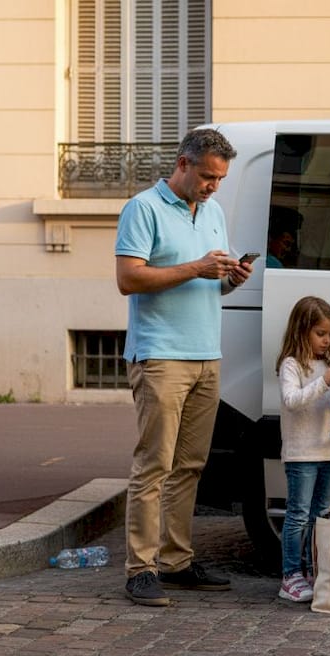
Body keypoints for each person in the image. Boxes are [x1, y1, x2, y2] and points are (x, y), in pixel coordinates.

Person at [114, 128, 254, 606]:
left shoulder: (212, 211)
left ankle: (175, 560)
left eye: (220, 179)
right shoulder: (143, 208)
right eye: (208, 176)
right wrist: (196, 267)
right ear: (183, 164)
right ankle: (140, 569)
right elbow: (129, 278)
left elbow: (211, 286)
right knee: (153, 464)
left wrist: (230, 278)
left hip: (206, 355)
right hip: (160, 356)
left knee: (190, 466)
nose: (214, 186)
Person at [275, 296, 330, 602]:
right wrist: (324, 382)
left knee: (321, 515)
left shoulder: (329, 365)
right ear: (302, 331)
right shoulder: (291, 365)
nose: (327, 340)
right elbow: (293, 400)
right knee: (298, 515)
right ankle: (290, 575)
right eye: (320, 334)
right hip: (302, 454)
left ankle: (314, 569)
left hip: (329, 451)